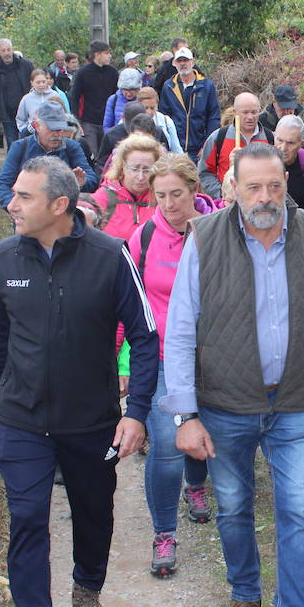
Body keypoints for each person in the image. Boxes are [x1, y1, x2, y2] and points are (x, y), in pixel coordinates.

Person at [162, 141, 304, 607]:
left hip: (294, 403)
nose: (265, 197)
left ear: (285, 185)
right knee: (234, 507)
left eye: (274, 186)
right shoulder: (204, 239)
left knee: (296, 514)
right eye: (253, 187)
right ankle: (244, 595)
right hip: (225, 405)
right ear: (232, 189)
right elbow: (179, 333)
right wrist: (186, 414)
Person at [0, 155, 158, 607]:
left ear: (59, 205)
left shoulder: (110, 256)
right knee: (28, 518)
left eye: (24, 197)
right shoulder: (4, 259)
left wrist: (136, 413)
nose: (12, 204)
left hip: (92, 421)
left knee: (93, 510)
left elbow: (145, 338)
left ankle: (87, 589)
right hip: (22, 420)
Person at [125, 154, 226, 577]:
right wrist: (123, 361)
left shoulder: (220, 231)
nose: (168, 204)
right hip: (164, 356)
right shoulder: (142, 238)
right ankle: (164, 533)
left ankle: (197, 486)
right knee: (166, 445)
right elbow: (127, 307)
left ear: (194, 191)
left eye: (176, 195)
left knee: (208, 431)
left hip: (217, 356)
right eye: (160, 196)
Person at [0, 100, 99, 208]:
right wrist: (16, 207)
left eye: (60, 129)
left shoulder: (72, 147)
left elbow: (92, 179)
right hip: (29, 216)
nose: (57, 134)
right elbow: (2, 185)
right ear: (36, 126)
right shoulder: (20, 147)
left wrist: (79, 183)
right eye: (51, 129)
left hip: (61, 215)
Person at [90, 133, 161, 241]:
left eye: (147, 170)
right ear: (122, 167)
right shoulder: (103, 198)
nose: (141, 177)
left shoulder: (162, 197)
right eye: (135, 169)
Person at [198, 92, 269, 198]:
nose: (250, 117)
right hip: (227, 203)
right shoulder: (218, 137)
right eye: (245, 112)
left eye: (254, 112)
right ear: (235, 112)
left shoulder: (270, 138)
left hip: (260, 201)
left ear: (260, 111)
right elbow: (205, 173)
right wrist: (223, 194)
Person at [160, 47, 219, 159]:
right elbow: (164, 118)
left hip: (199, 150)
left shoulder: (206, 86)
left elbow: (213, 117)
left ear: (192, 62)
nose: (182, 64)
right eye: (179, 61)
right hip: (176, 150)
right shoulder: (169, 87)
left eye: (186, 60)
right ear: (174, 63)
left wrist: (207, 145)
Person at [69, 40, 119, 159]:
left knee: (108, 156)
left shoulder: (112, 72)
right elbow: (74, 97)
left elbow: (117, 96)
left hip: (108, 122)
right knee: (91, 155)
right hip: (88, 122)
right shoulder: (83, 73)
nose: (109, 56)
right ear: (97, 55)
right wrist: (77, 122)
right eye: (106, 53)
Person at [0, 39, 34, 147]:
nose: (6, 53)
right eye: (3, 51)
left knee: (28, 145)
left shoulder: (26, 65)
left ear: (12, 50)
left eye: (8, 50)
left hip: (27, 114)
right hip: (7, 116)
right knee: (13, 146)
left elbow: (35, 86)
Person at [15, 68, 71, 137]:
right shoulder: (26, 99)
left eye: (43, 82)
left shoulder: (55, 95)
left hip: (53, 133)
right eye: (38, 82)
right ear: (32, 83)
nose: (41, 85)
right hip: (33, 135)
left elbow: (63, 114)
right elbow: (20, 119)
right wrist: (26, 129)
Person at [137, 86, 182, 156]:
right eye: (145, 108)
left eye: (152, 108)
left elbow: (176, 150)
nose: (149, 112)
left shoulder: (166, 121)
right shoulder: (129, 121)